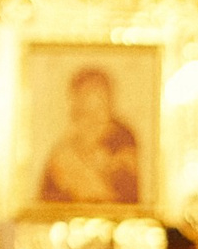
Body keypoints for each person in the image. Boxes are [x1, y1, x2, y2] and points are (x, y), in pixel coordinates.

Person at [36, 61, 142, 203]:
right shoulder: (63, 149)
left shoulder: (123, 137)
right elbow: (47, 198)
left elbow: (124, 196)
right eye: (84, 114)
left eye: (95, 93)